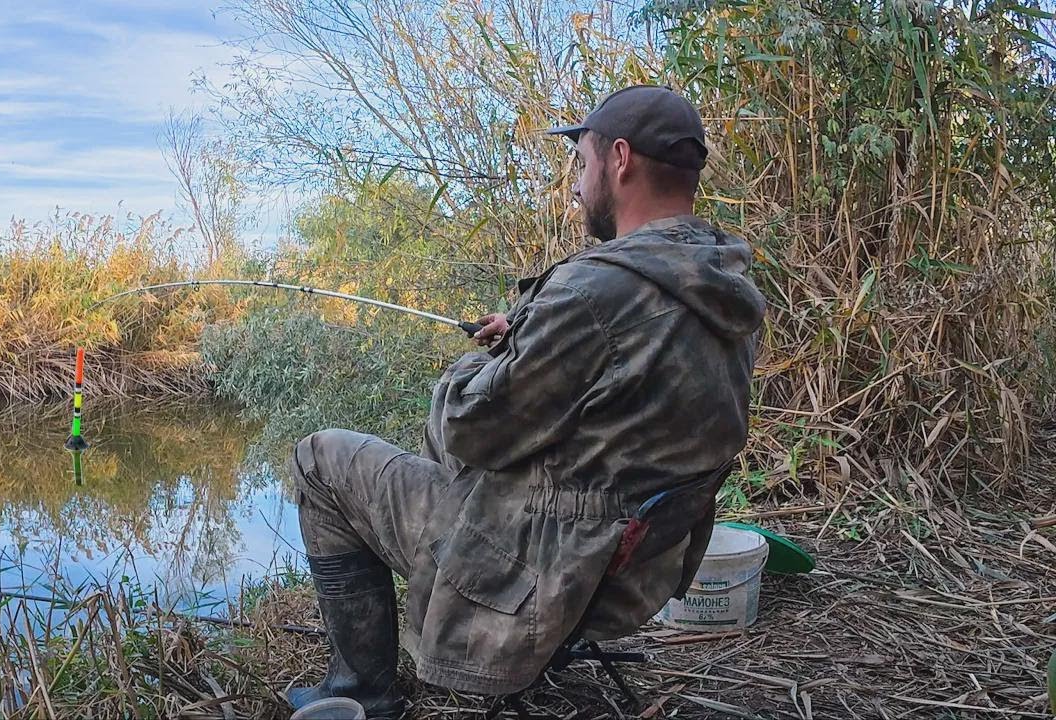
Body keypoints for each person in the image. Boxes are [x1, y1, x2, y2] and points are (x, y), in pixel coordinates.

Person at [286, 85, 766, 718]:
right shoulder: (724, 278)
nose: (575, 182)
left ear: (619, 159)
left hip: (546, 571)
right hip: (636, 566)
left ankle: (360, 691)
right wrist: (528, 347)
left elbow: (468, 428)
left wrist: (483, 358)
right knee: (432, 454)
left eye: (581, 162)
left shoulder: (595, 291)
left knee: (319, 459)